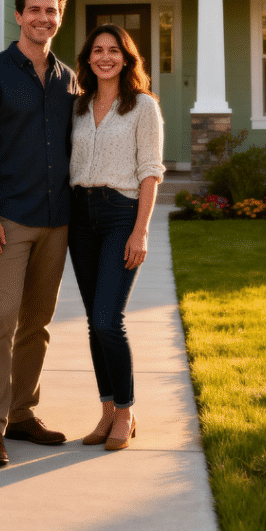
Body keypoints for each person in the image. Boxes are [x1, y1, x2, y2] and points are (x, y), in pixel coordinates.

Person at [0, 0, 78, 466]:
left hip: (57, 221)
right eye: (34, 10)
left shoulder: (69, 79)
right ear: (18, 16)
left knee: (37, 324)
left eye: (51, 11)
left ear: (59, 18)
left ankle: (23, 414)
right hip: (7, 220)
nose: (42, 18)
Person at [68, 23, 164, 450]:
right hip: (79, 216)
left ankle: (126, 412)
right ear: (88, 58)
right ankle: (106, 411)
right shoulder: (78, 105)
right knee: (93, 322)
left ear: (127, 58)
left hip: (119, 215)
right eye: (97, 50)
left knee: (108, 319)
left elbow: (151, 171)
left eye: (114, 50)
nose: (105, 57)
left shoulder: (143, 106)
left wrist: (140, 230)